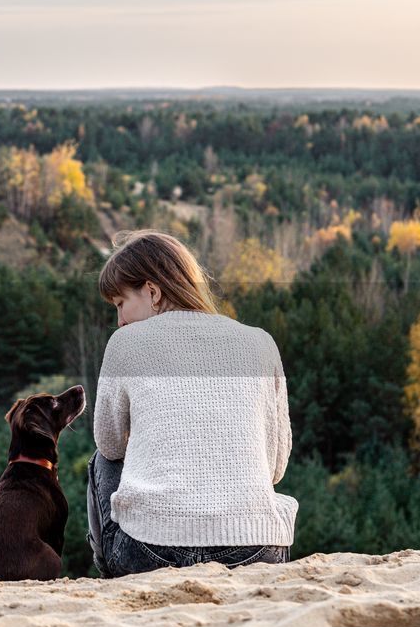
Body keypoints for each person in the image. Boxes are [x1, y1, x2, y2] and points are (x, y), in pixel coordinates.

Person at [86, 229, 296, 577]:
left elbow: (108, 443)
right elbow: (275, 468)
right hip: (257, 551)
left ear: (151, 291)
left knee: (102, 462)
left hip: (149, 553)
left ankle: (111, 576)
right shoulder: (261, 342)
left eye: (121, 303)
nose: (120, 319)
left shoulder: (125, 342)